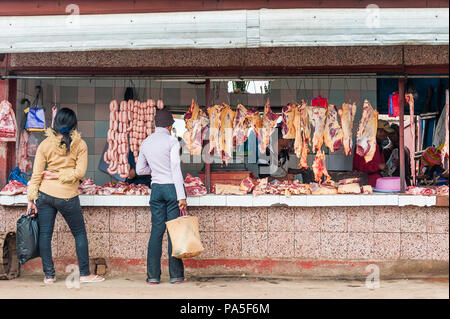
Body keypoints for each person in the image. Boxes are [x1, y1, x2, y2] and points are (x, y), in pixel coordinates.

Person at [26, 108, 104, 284]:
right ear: (74, 125)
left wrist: (31, 199)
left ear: (54, 124)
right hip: (67, 195)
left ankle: (49, 275)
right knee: (79, 234)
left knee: (45, 234)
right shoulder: (80, 144)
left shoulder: (45, 144)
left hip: (45, 195)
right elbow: (80, 172)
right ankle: (84, 274)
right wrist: (63, 175)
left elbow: (36, 175)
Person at [136, 108, 186, 285]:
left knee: (156, 231)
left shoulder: (146, 142)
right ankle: (176, 275)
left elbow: (140, 170)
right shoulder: (172, 141)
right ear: (170, 125)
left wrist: (156, 170)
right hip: (171, 188)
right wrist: (181, 195)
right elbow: (175, 168)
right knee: (173, 231)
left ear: (155, 124)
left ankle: (153, 276)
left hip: (156, 189)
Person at [353, 120, 393, 188]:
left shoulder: (378, 144)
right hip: (365, 184)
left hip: (375, 183)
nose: (386, 136)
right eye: (385, 133)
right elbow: (360, 166)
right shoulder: (364, 143)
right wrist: (378, 166)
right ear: (378, 131)